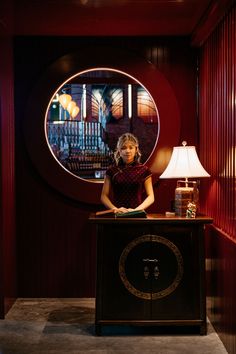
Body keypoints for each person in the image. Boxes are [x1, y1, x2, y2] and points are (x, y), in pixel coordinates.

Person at [101, 133, 155, 213]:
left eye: (131, 147)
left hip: (137, 214)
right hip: (118, 214)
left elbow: (151, 197)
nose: (127, 151)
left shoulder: (144, 170)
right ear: (119, 150)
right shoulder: (112, 171)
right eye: (123, 148)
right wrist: (115, 209)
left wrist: (136, 211)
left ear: (136, 149)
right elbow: (103, 196)